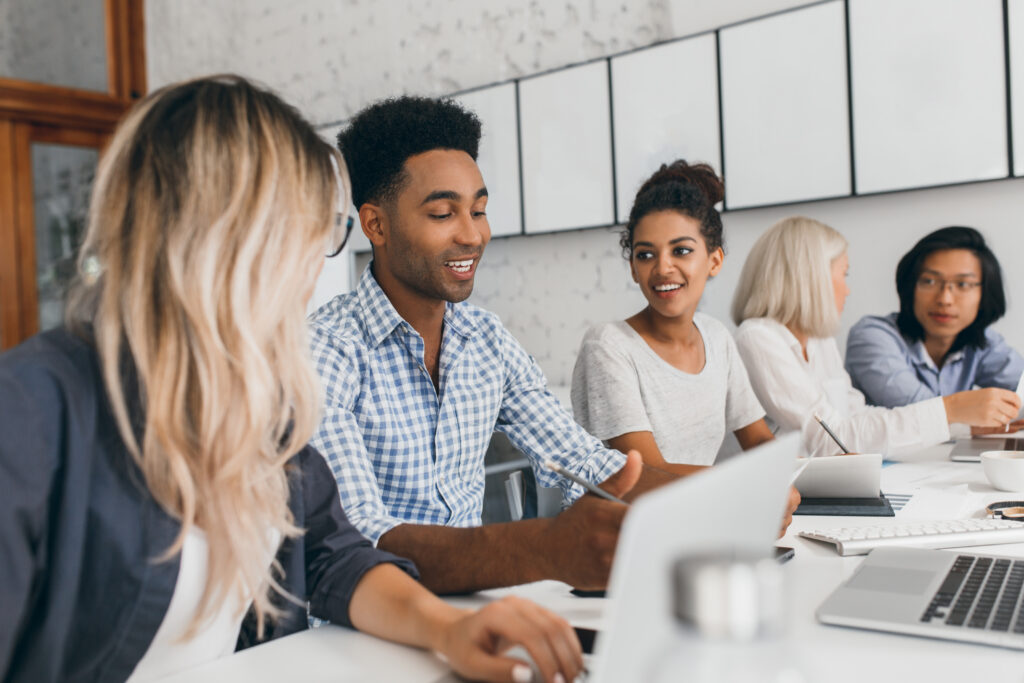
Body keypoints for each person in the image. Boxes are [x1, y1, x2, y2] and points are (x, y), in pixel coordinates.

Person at [0, 76, 585, 683]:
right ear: (219, 238)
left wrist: (446, 629)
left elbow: (334, 557)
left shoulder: (257, 402)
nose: (315, 265)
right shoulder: (30, 412)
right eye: (307, 233)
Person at [309, 97, 797, 594]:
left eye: (479, 210)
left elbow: (586, 463)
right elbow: (359, 538)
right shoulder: (326, 352)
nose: (473, 234)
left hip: (467, 611)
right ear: (375, 225)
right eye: (442, 213)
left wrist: (729, 499)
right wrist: (544, 549)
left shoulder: (486, 342)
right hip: (356, 631)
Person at [731, 216, 1021, 459]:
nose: (848, 290)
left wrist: (963, 426)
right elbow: (830, 439)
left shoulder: (820, 341)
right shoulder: (758, 338)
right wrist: (953, 410)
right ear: (811, 279)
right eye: (844, 275)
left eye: (963, 284)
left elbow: (854, 417)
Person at [571, 160, 775, 474]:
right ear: (633, 270)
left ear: (715, 260)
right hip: (631, 520)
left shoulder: (716, 338)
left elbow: (759, 440)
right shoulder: (608, 346)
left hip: (701, 511)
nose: (662, 267)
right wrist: (748, 482)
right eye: (645, 254)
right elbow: (648, 474)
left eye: (680, 251)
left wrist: (804, 472)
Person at [845, 226, 1024, 433]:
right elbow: (915, 412)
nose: (944, 299)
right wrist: (973, 423)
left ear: (985, 293)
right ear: (910, 286)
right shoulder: (871, 336)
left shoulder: (983, 342)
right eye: (929, 281)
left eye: (963, 284)